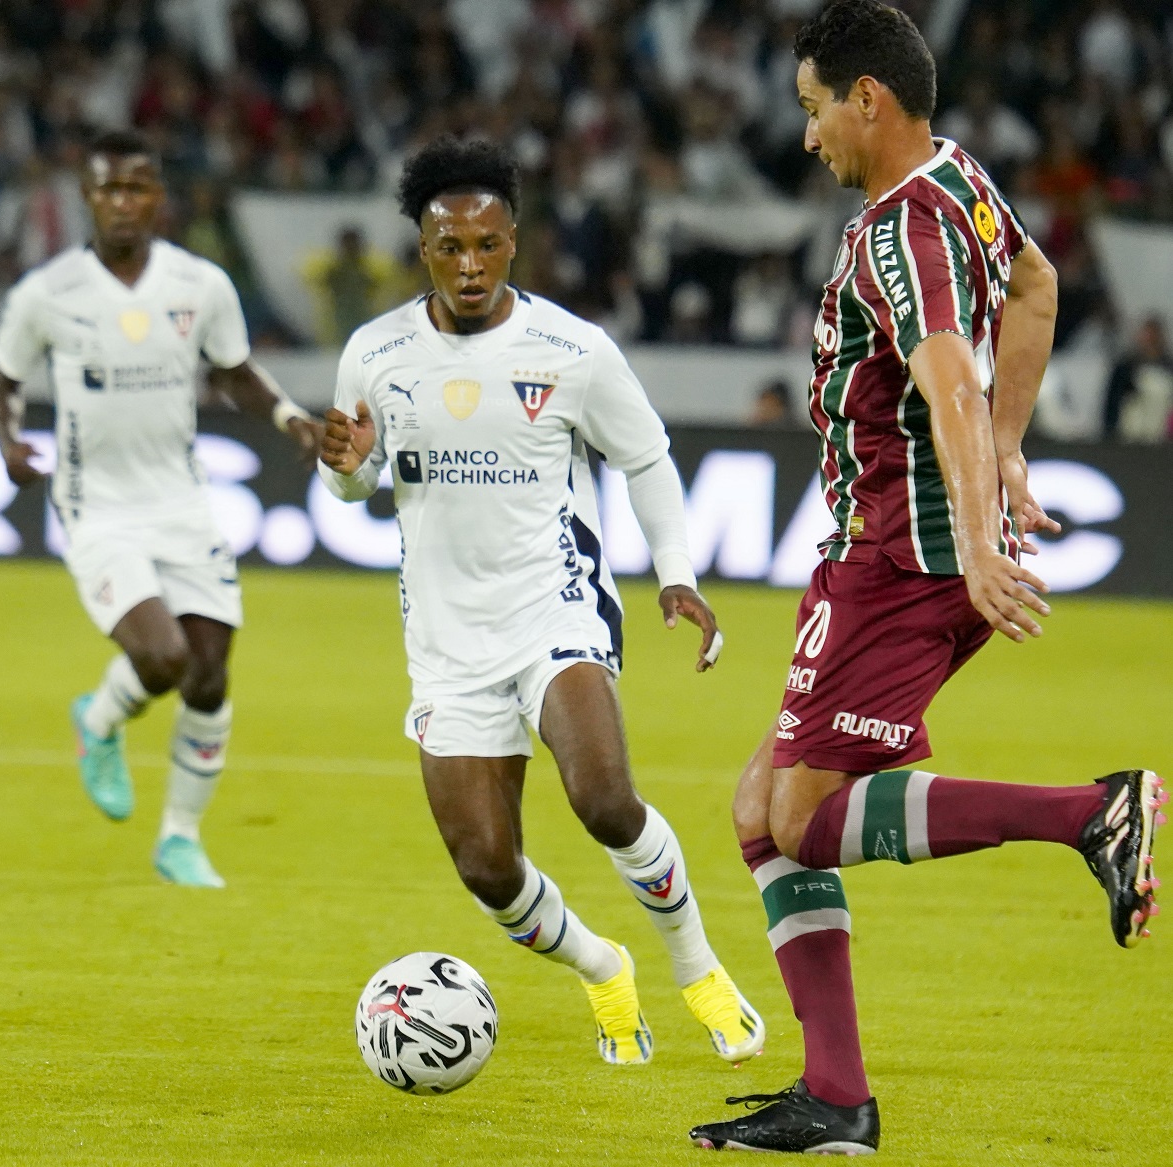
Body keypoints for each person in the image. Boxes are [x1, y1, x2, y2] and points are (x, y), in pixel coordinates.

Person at [688, 2, 1164, 1155]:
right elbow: (1039, 286)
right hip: (897, 539)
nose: (809, 138)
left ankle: (1095, 813)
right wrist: (1006, 452)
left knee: (798, 820)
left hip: (901, 552)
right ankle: (836, 1098)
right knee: (760, 813)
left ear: (868, 99)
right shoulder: (962, 180)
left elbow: (946, 377)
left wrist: (979, 519)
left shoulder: (902, 229)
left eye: (814, 111)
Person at [318, 136, 764, 1067]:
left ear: (514, 240)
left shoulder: (572, 349)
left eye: (487, 244)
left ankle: (698, 970)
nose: (470, 264)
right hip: (446, 640)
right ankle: (603, 967)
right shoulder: (375, 353)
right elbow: (359, 485)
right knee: (486, 865)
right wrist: (347, 472)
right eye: (450, 247)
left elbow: (645, 456)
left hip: (555, 608)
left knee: (604, 799)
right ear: (423, 248)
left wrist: (674, 568)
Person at [0, 129, 323, 888]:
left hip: (181, 500)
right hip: (96, 504)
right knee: (162, 657)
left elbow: (235, 372)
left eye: (138, 187)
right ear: (88, 196)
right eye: (109, 189)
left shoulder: (199, 285)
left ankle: (179, 838)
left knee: (208, 675)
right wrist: (6, 440)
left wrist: (292, 418)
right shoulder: (49, 292)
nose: (124, 201)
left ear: (158, 197)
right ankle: (98, 718)